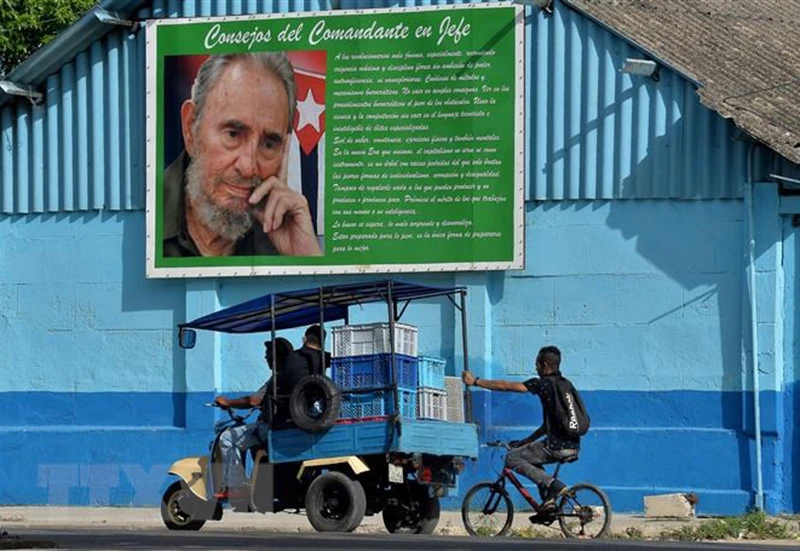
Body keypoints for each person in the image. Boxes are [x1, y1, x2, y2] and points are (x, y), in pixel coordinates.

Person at [163, 52, 322, 258]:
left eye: (268, 144)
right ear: (190, 128)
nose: (248, 168)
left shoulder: (283, 238)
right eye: (233, 134)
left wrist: (305, 258)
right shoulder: (145, 218)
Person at [462, 346, 580, 514]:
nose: (536, 368)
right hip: (572, 445)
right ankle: (549, 503)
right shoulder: (566, 385)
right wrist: (526, 441)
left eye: (537, 365)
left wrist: (475, 382)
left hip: (556, 446)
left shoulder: (543, 384)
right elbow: (546, 427)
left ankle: (553, 486)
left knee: (511, 458)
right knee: (532, 458)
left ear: (545, 365)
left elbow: (505, 386)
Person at [212, 337, 294, 499]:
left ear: (275, 357)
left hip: (271, 429)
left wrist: (228, 402)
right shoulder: (293, 377)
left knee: (228, 438)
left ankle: (235, 487)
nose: (265, 358)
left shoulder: (277, 378)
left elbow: (253, 400)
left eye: (267, 354)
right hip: (289, 428)